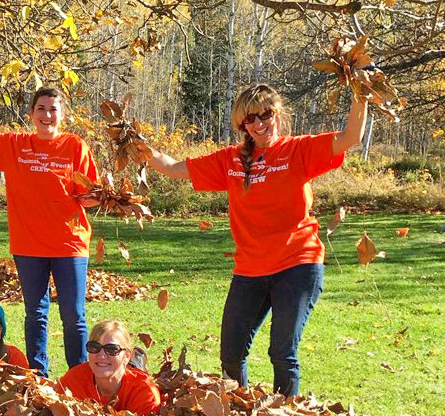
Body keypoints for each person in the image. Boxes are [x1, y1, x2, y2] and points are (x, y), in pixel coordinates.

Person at [144, 83, 368, 396]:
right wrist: (136, 145)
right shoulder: (231, 160)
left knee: (281, 352)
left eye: (265, 114)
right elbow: (171, 168)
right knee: (231, 355)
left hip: (298, 265)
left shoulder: (298, 150)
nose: (259, 124)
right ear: (242, 125)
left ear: (277, 114)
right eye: (250, 119)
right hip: (250, 270)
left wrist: (361, 93)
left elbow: (351, 138)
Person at [0, 81, 99, 377]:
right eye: (41, 109)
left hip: (69, 244)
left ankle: (80, 377)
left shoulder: (74, 146)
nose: (47, 115)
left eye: (53, 110)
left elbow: (91, 197)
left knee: (74, 316)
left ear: (62, 115)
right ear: (31, 113)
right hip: (29, 245)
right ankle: (38, 376)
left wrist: (101, 195)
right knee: (36, 313)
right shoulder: (15, 145)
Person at [58, 320, 161, 416]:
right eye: (94, 347)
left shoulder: (145, 393)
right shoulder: (73, 381)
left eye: (112, 349)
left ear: (127, 355)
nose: (101, 355)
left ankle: (137, 361)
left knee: (134, 370)